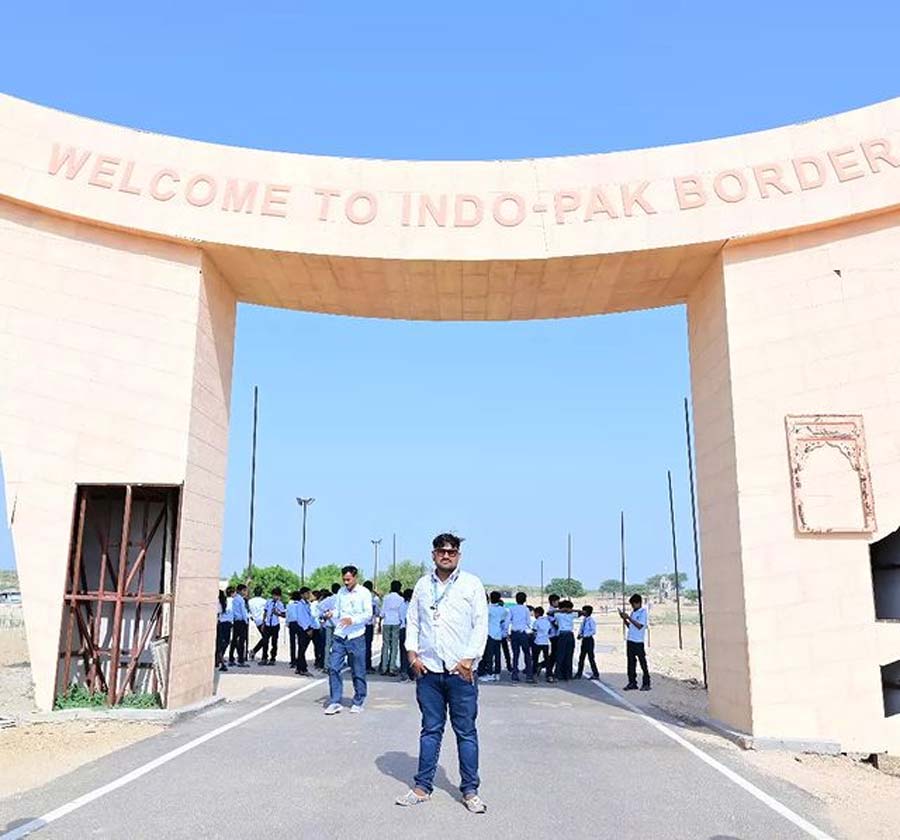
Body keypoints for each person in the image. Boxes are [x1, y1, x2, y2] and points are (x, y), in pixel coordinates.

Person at [396, 533, 488, 814]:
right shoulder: (424, 585)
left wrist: (468, 660)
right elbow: (413, 621)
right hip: (429, 672)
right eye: (441, 551)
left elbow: (480, 624)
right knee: (430, 730)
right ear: (433, 554)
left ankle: (470, 790)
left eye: (451, 551)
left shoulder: (471, 584)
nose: (446, 555)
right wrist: (412, 655)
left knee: (466, 733)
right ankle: (422, 787)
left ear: (458, 555)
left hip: (461, 674)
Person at [323, 566, 373, 714]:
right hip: (340, 635)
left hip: (356, 636)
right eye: (344, 579)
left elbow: (368, 614)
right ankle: (335, 701)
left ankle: (358, 700)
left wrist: (353, 620)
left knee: (358, 670)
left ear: (355, 577)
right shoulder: (341, 592)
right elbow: (338, 610)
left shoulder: (364, 593)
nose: (346, 582)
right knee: (333, 667)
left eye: (348, 579)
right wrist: (332, 613)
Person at [619, 593, 651, 691]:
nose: (633, 606)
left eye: (633, 604)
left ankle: (646, 683)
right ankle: (632, 682)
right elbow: (631, 626)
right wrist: (625, 620)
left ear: (638, 603)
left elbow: (639, 626)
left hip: (638, 641)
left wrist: (629, 618)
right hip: (631, 640)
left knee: (642, 662)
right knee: (631, 663)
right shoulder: (633, 612)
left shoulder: (643, 612)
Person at [479, 591, 508, 683]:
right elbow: (502, 620)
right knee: (497, 654)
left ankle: (490, 673)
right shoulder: (503, 610)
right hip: (498, 633)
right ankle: (497, 673)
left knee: (489, 655)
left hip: (489, 633)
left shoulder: (487, 609)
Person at [507, 591, 534, 683]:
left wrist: (507, 633)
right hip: (523, 633)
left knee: (515, 654)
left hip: (514, 633)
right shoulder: (526, 609)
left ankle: (515, 674)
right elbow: (528, 622)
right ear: (525, 600)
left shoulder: (512, 609)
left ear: (516, 599)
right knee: (527, 654)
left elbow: (507, 621)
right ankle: (529, 675)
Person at [380, 580, 404, 676]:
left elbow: (382, 611)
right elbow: (401, 613)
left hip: (386, 622)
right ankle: (392, 667)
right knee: (394, 646)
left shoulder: (386, 597)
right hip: (396, 622)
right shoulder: (401, 599)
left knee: (385, 645)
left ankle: (384, 667)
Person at [257, 588, 285, 665]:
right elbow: (265, 612)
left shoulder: (280, 604)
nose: (275, 597)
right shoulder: (268, 602)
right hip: (267, 624)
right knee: (265, 641)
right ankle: (264, 658)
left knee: (274, 642)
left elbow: (284, 615)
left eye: (277, 596)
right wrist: (263, 623)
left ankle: (273, 658)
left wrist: (278, 613)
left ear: (279, 596)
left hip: (275, 625)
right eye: (274, 595)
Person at [293, 587, 316, 676]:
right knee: (302, 649)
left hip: (309, 628)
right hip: (303, 629)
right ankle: (303, 668)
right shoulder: (300, 605)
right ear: (302, 595)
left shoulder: (307, 604)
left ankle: (299, 668)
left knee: (302, 649)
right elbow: (301, 618)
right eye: (307, 593)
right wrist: (307, 629)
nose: (309, 595)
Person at [553, 600, 577, 681]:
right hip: (569, 635)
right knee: (568, 655)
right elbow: (582, 612)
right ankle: (567, 675)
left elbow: (550, 613)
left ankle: (558, 674)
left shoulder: (558, 615)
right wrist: (568, 610)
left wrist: (564, 610)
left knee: (561, 655)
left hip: (563, 635)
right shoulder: (570, 615)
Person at [575, 604, 600, 680]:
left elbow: (593, 631)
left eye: (584, 611)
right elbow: (581, 628)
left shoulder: (591, 620)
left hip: (589, 640)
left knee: (591, 657)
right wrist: (579, 634)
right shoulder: (584, 620)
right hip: (584, 640)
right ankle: (579, 673)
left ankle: (595, 673)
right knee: (581, 657)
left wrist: (584, 635)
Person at [229, 584, 250, 668]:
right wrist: (246, 621)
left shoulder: (234, 599)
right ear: (241, 591)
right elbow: (243, 611)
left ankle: (231, 658)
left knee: (234, 640)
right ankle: (241, 660)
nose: (246, 592)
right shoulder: (241, 600)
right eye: (245, 591)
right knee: (242, 641)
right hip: (241, 621)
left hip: (236, 621)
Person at [531, 606, 553, 681]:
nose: (534, 615)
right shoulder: (547, 621)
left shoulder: (536, 622)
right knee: (547, 659)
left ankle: (534, 674)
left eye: (535, 613)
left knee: (535, 658)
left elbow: (534, 632)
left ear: (537, 613)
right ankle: (549, 675)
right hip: (545, 642)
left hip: (537, 642)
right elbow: (550, 631)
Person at [398, 587, 414, 682]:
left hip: (402, 629)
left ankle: (403, 672)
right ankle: (410, 673)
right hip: (409, 630)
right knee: (411, 652)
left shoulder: (401, 605)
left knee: (403, 652)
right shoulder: (411, 606)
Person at [363, 580, 379, 674]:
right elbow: (377, 612)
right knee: (368, 645)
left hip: (360, 624)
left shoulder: (359, 597)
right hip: (369, 625)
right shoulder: (373, 599)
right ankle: (367, 665)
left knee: (358, 645)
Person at [215, 588, 233, 672]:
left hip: (219, 624)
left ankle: (220, 661)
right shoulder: (222, 604)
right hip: (223, 624)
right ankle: (220, 661)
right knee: (223, 643)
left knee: (219, 644)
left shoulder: (217, 603)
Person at [248, 586, 267, 660]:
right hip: (263, 621)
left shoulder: (250, 601)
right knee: (265, 638)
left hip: (256, 621)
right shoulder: (264, 601)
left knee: (265, 637)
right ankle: (254, 651)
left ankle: (255, 651)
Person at [546, 593, 561, 679]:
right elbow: (555, 623)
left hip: (556, 634)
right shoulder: (551, 611)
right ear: (552, 602)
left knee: (554, 654)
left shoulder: (556, 610)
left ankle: (548, 669)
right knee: (554, 654)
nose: (558, 603)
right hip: (554, 635)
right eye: (557, 601)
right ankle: (548, 670)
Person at [311, 590, 326, 670]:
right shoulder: (320, 604)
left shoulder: (313, 604)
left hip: (315, 626)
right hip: (319, 626)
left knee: (316, 645)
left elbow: (312, 615)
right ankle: (319, 661)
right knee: (319, 645)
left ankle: (318, 660)